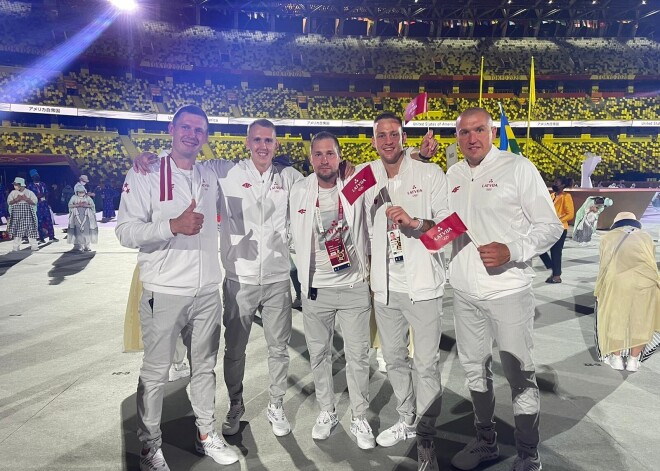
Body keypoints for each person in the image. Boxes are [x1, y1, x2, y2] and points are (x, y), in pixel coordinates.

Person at [133, 118, 303, 438]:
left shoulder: (291, 177)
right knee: (235, 350)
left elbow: (323, 189)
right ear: (247, 142)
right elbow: (183, 161)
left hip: (279, 278)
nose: (263, 146)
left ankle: (276, 403)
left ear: (276, 144)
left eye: (269, 140)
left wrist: (345, 169)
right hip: (240, 278)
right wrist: (151, 156)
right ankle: (236, 403)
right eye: (257, 140)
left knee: (278, 348)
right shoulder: (226, 172)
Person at [116, 105, 238, 471]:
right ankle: (150, 447)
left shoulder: (209, 173)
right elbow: (125, 231)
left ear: (205, 136)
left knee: (204, 368)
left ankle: (206, 434)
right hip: (164, 290)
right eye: (185, 127)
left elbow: (260, 164)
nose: (192, 134)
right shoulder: (145, 172)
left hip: (206, 292)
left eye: (199, 129)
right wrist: (171, 226)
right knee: (155, 372)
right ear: (171, 129)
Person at [447, 107, 563, 471]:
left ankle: (529, 452)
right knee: (473, 371)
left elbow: (551, 226)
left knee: (519, 374)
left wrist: (512, 250)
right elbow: (448, 228)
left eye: (479, 130)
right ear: (457, 138)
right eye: (464, 133)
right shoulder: (453, 173)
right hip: (465, 293)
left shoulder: (517, 167)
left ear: (492, 131)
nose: (472, 138)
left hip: (509, 292)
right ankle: (486, 442)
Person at [362, 113, 449, 471]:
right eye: (380, 135)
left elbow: (448, 226)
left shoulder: (429, 174)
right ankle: (407, 418)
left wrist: (415, 223)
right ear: (373, 140)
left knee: (426, 365)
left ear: (403, 137)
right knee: (394, 359)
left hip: (423, 286)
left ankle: (426, 439)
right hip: (384, 288)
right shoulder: (366, 176)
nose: (387, 140)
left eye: (393, 134)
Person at [288, 131, 374, 449]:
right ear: (311, 159)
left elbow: (384, 171)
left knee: (357, 356)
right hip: (316, 289)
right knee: (319, 355)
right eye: (319, 154)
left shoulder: (354, 185)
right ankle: (327, 411)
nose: (325, 160)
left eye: (331, 153)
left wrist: (419, 155)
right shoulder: (298, 190)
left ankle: (360, 416)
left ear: (340, 156)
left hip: (353, 285)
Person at [595, 212, 660, 372]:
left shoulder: (607, 238)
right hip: (646, 282)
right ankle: (633, 360)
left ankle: (616, 358)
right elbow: (651, 261)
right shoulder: (646, 237)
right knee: (642, 321)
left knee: (615, 318)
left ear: (617, 223)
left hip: (618, 283)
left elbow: (604, 265)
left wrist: (599, 288)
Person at [539, 176, 574, 283]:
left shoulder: (566, 196)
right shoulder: (552, 195)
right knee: (540, 247)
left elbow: (570, 214)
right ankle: (550, 265)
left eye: (557, 182)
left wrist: (558, 220)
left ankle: (556, 276)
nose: (554, 184)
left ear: (563, 185)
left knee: (556, 252)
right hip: (550, 227)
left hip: (560, 228)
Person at [7, 177, 39, 251]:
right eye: (14, 185)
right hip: (17, 214)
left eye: (16, 184)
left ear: (21, 185)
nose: (15, 186)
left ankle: (34, 246)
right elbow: (9, 202)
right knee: (17, 230)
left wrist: (26, 199)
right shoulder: (13, 193)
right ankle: (15, 247)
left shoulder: (29, 192)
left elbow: (35, 202)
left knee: (31, 230)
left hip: (28, 213)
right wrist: (16, 200)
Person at [27, 169, 58, 243]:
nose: (37, 177)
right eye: (35, 176)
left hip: (45, 205)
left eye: (37, 175)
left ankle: (52, 237)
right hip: (37, 207)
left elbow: (47, 192)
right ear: (32, 177)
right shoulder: (30, 186)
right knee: (39, 223)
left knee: (49, 221)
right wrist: (38, 197)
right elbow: (29, 196)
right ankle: (41, 238)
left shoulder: (43, 184)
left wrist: (44, 196)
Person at [67, 183, 98, 252]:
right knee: (78, 232)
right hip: (77, 217)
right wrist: (77, 205)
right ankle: (80, 246)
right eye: (80, 192)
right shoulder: (74, 197)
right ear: (77, 192)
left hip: (86, 218)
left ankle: (87, 246)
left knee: (87, 232)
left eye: (82, 192)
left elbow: (92, 205)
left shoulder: (87, 198)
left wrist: (86, 205)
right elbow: (69, 205)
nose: (81, 193)